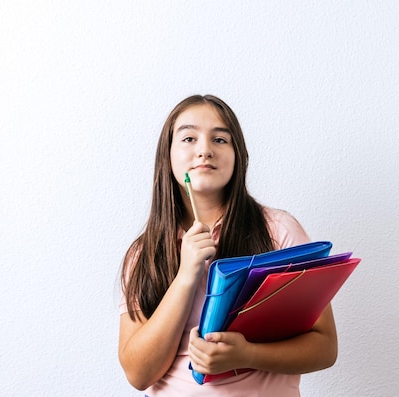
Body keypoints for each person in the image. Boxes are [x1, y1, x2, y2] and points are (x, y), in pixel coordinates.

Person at [119, 95, 338, 396]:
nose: (205, 150)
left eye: (220, 139)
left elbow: (325, 347)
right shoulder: (144, 254)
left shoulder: (278, 231)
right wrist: (185, 276)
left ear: (238, 155)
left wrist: (246, 355)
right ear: (167, 156)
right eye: (189, 138)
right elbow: (138, 374)